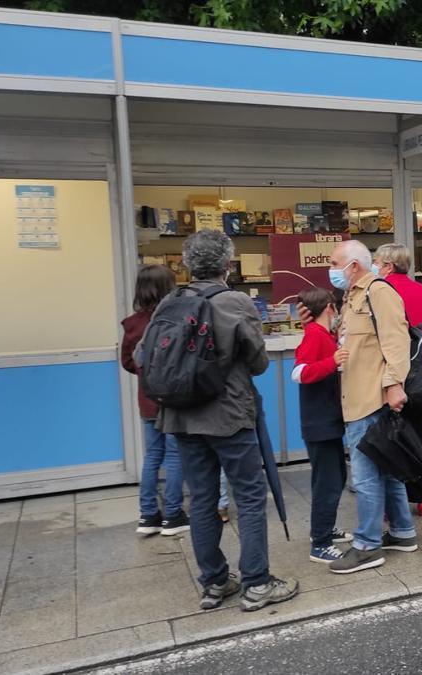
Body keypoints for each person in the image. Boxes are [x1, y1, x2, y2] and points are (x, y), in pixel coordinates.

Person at [155, 230, 298, 612]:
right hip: (230, 415)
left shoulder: (170, 301)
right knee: (250, 497)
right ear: (226, 265)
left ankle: (215, 582)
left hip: (182, 418)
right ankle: (256, 583)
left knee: (202, 499)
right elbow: (258, 362)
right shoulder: (235, 302)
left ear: (187, 264)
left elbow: (143, 355)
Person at [326, 240, 416, 575]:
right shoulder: (352, 296)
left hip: (371, 397)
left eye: (335, 263)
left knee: (365, 477)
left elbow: (396, 341)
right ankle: (403, 532)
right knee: (387, 468)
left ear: (353, 265)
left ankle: (366, 546)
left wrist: (394, 385)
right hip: (359, 396)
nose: (331, 269)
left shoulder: (379, 292)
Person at [373, 242, 422, 516]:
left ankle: (394, 503)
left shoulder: (379, 293)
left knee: (389, 437)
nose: (374, 267)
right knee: (419, 436)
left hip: (390, 377)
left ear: (388, 265)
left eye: (376, 262)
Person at [121, 264, 188, 537]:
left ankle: (148, 515)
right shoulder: (175, 319)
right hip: (173, 399)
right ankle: (173, 515)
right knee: (174, 455)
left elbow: (127, 362)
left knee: (152, 456)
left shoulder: (132, 323)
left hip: (147, 399)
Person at [291, 287, 352, 564]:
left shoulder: (323, 335)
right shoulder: (315, 335)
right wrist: (332, 362)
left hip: (326, 420)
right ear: (329, 307)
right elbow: (299, 372)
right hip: (319, 421)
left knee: (336, 476)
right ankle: (321, 541)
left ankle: (325, 528)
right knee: (327, 481)